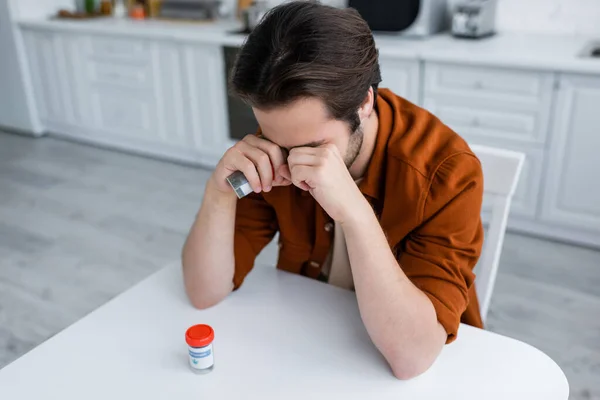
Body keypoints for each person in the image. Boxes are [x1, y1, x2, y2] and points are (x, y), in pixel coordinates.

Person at [182, 1, 484, 379]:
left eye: (310, 146)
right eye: (275, 138)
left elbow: (412, 359)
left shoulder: (448, 171)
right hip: (308, 348)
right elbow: (204, 292)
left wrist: (355, 213)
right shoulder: (277, 142)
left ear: (364, 104)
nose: (289, 161)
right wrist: (219, 192)